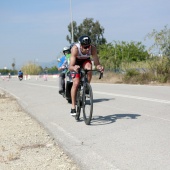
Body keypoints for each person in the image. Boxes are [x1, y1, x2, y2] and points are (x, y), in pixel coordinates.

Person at [69, 35, 104, 116]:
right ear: (81, 45)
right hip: (75, 63)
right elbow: (70, 66)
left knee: (89, 68)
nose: (88, 48)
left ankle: (87, 85)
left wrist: (100, 67)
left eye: (88, 46)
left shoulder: (93, 48)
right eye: (85, 47)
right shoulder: (75, 49)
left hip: (85, 61)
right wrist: (74, 68)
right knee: (76, 83)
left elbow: (97, 63)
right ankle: (73, 107)